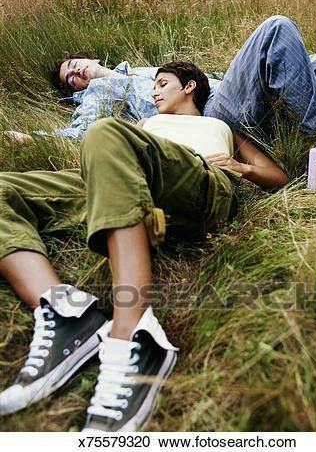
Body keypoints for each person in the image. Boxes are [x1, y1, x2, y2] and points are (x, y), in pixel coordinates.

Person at [0, 61, 288, 432]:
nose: (153, 91)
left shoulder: (220, 125)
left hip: (197, 183)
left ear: (189, 87)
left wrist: (241, 167)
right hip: (126, 185)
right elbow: (110, 159)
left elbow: (277, 177)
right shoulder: (143, 125)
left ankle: (133, 334)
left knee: (105, 134)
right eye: (152, 85)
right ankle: (66, 314)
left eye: (162, 83)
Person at [47, 15, 316, 142]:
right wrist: (26, 137)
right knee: (275, 30)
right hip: (211, 115)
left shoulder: (136, 72)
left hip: (230, 91)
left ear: (92, 58)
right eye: (70, 79)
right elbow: (76, 134)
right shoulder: (96, 95)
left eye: (74, 64)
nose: (76, 72)